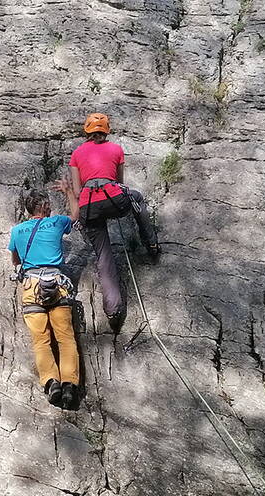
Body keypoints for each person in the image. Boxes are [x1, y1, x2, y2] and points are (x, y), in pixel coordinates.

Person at [68, 112, 160, 333]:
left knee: (103, 255)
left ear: (87, 131)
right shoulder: (116, 149)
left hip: (88, 206)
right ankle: (152, 244)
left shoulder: (76, 154)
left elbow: (78, 190)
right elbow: (119, 182)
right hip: (113, 198)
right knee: (136, 198)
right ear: (107, 130)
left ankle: (113, 310)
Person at [8, 181, 81, 409]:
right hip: (57, 285)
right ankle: (70, 385)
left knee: (41, 340)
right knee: (66, 338)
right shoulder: (57, 222)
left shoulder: (18, 231)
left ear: (30, 209)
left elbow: (15, 260)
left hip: (32, 287)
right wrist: (69, 192)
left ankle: (51, 383)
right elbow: (76, 215)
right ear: (46, 206)